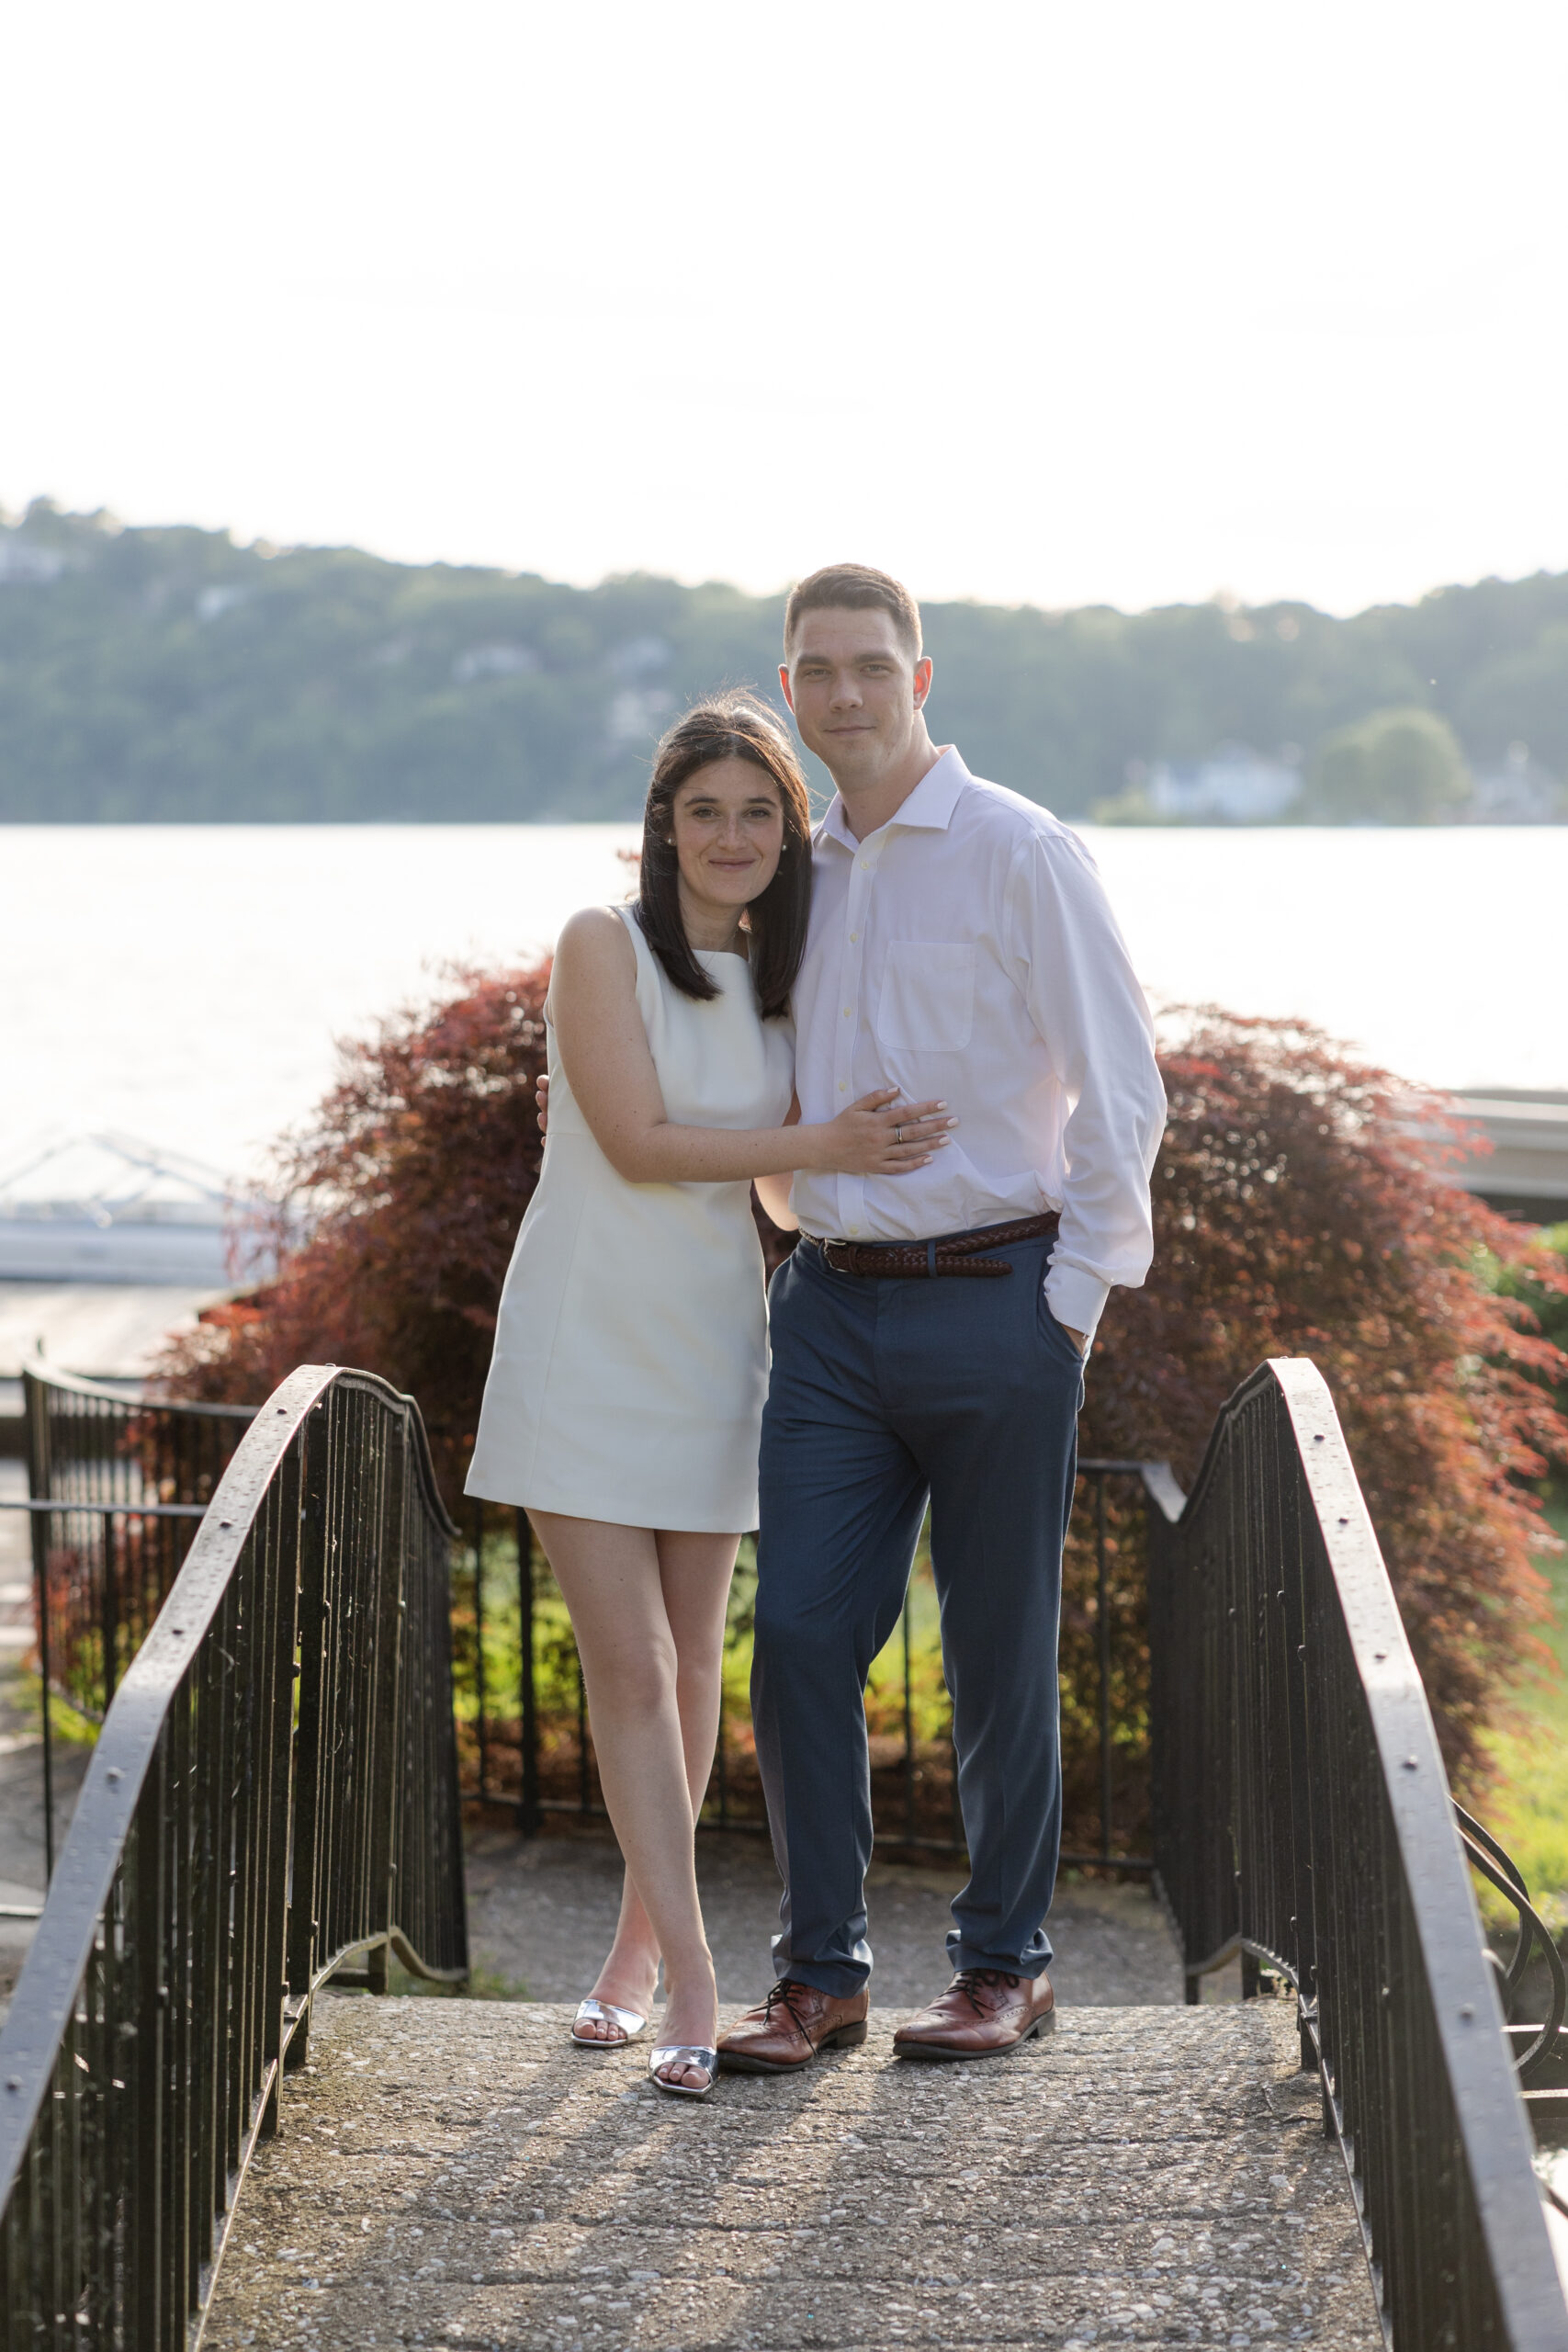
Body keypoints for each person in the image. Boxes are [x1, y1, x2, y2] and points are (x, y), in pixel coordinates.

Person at [713, 565, 1167, 2075]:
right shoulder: (793, 866)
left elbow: (1124, 1084)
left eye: (869, 665)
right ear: (788, 689)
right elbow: (753, 1076)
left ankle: (1003, 1966)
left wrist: (1075, 1305)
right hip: (830, 1314)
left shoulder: (1019, 851)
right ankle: (819, 1976)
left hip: (1001, 1301)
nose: (842, 693)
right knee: (798, 1639)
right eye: (814, 669)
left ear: (923, 676)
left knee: (993, 1650)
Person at [466, 693, 952, 2098]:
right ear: (662, 825)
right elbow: (635, 1141)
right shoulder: (601, 945)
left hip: (714, 1339)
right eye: (705, 811)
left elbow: (784, 1193)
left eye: (759, 812)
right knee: (628, 1667)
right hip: (586, 1335)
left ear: (788, 834)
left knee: (690, 1672)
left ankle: (631, 1951)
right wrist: (826, 1132)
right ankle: (693, 1970)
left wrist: (887, 1178)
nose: (732, 836)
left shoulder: (787, 976)